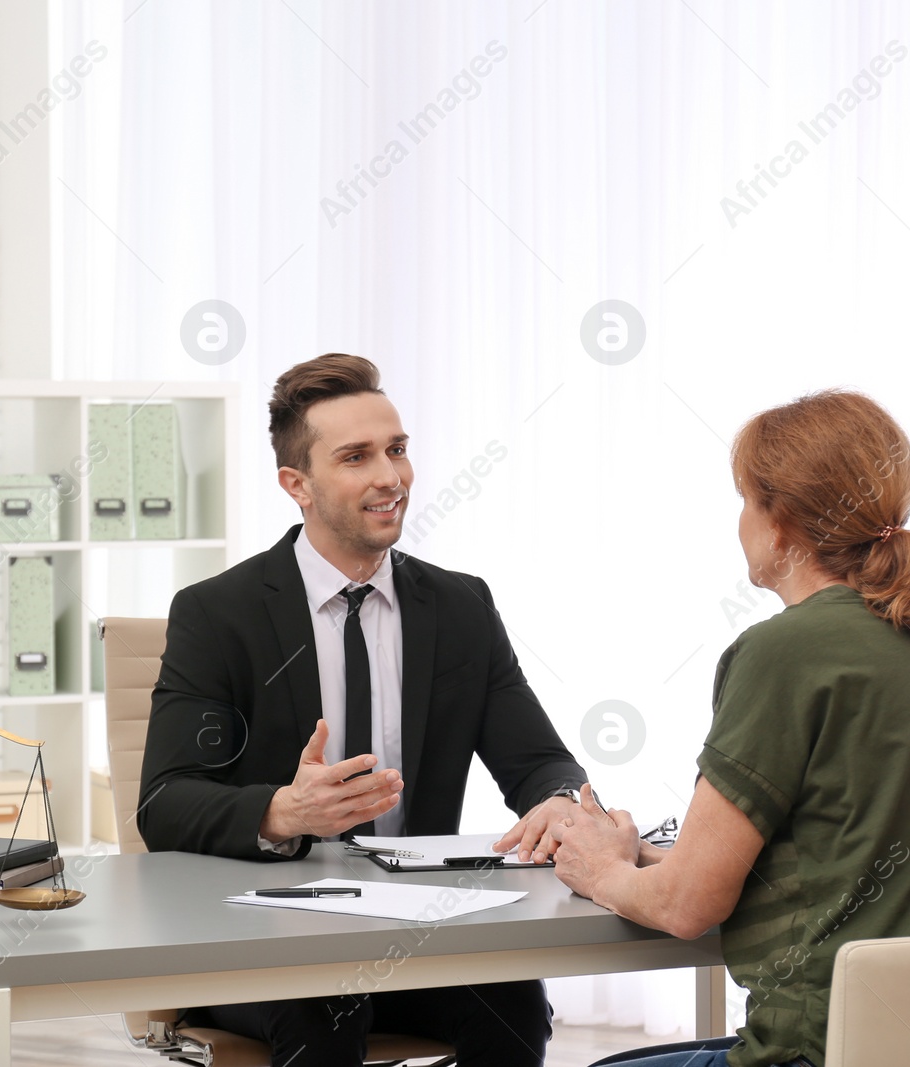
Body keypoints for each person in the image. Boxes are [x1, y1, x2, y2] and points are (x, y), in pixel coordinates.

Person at [139, 353, 590, 1067]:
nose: (391, 476)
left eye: (398, 449)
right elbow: (164, 801)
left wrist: (562, 800)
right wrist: (282, 812)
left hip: (419, 934)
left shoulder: (461, 606)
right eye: (357, 457)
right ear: (298, 484)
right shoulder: (217, 614)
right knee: (322, 1006)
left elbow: (536, 760)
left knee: (514, 1003)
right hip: (265, 940)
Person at [549, 390, 910, 1067]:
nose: (740, 521)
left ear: (782, 520)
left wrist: (603, 870)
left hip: (821, 1049)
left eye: (745, 500)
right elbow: (847, 848)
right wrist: (648, 854)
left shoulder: (784, 650)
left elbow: (685, 907)